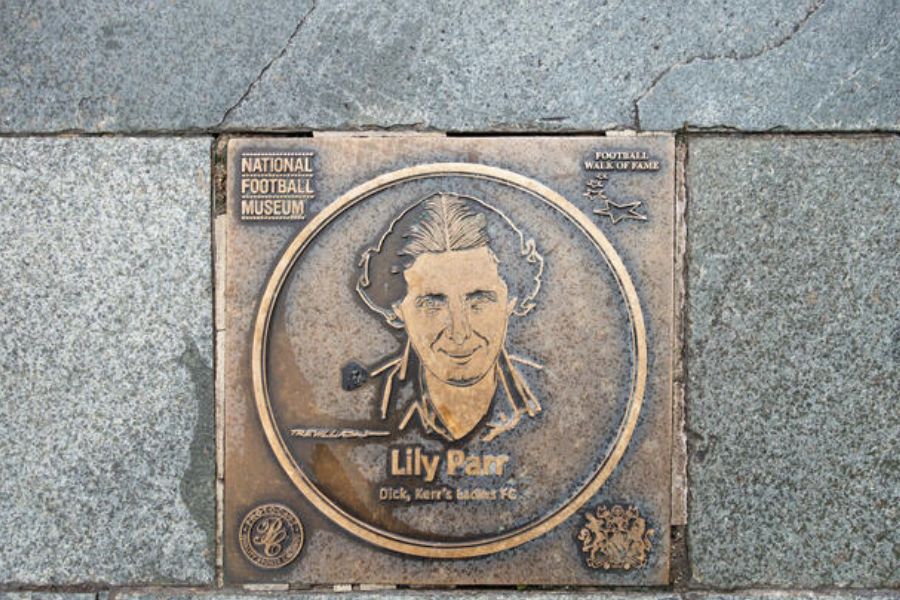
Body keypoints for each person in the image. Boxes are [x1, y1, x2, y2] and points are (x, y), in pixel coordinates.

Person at [354, 192, 544, 442]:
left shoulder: (561, 394)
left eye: (479, 300)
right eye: (433, 304)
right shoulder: (355, 402)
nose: (459, 332)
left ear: (511, 302)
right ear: (398, 310)